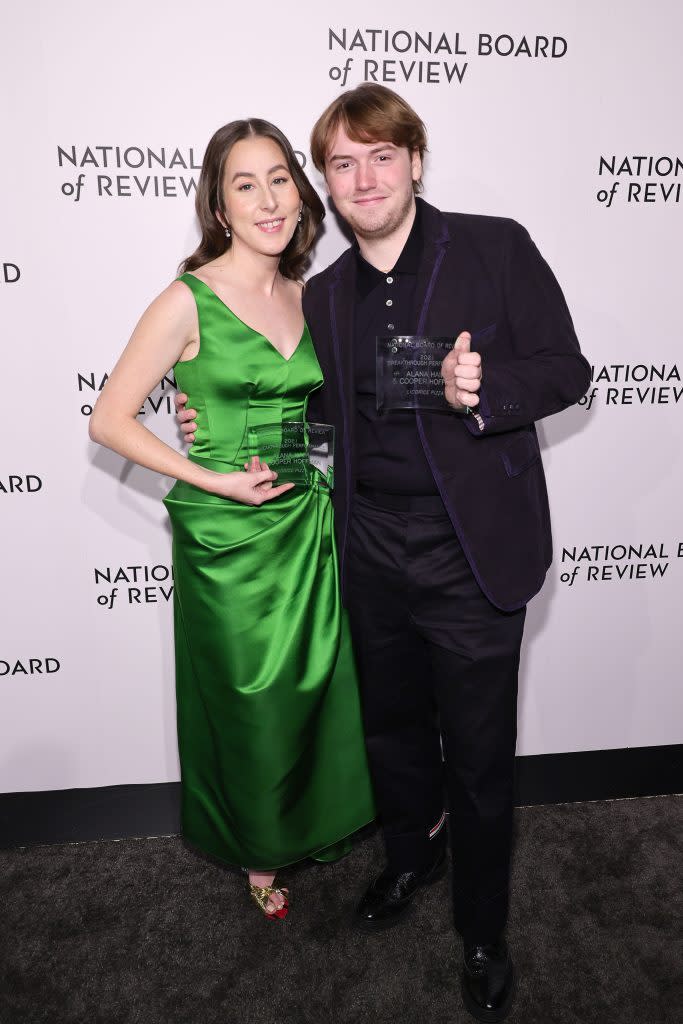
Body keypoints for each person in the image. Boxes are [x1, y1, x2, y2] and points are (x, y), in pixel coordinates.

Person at [178, 85, 590, 1020]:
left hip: (469, 553)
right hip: (365, 548)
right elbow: (322, 412)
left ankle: (483, 930)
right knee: (393, 736)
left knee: (480, 758)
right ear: (328, 179)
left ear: (413, 160)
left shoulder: (494, 245)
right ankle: (411, 855)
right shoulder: (322, 295)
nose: (363, 177)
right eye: (342, 162)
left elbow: (568, 369)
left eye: (381, 156)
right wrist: (216, 422)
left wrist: (485, 388)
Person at [89, 118, 374, 920]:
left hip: (307, 519)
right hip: (228, 536)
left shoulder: (309, 293)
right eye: (244, 184)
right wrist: (207, 474)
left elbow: (322, 411)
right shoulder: (187, 299)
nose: (267, 198)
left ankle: (325, 819)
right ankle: (259, 850)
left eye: (279, 177)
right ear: (218, 205)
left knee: (319, 685)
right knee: (251, 700)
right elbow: (110, 420)